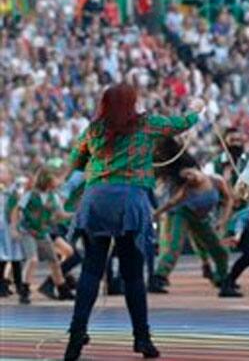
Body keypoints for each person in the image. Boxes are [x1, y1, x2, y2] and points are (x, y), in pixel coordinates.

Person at [64, 83, 204, 361]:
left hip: (96, 199)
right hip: (129, 200)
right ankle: (142, 339)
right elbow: (182, 123)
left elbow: (75, 162)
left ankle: (76, 337)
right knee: (132, 273)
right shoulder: (147, 125)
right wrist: (196, 109)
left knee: (91, 270)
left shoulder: (94, 129)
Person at [149, 144, 233, 293]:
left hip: (202, 218)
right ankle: (159, 277)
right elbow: (172, 202)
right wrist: (157, 213)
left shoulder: (216, 180)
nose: (189, 177)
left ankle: (223, 279)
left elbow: (228, 200)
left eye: (188, 172)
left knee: (218, 249)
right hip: (183, 214)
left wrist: (223, 220)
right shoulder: (187, 188)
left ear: (196, 168)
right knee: (174, 245)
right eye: (185, 177)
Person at [11, 166, 75, 302]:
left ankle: (62, 289)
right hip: (27, 231)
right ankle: (24, 290)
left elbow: (60, 214)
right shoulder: (30, 194)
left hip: (42, 232)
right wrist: (14, 228)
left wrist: (75, 215)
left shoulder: (54, 196)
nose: (58, 180)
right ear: (46, 179)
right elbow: (16, 210)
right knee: (32, 259)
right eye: (55, 177)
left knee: (54, 261)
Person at [0, 163, 27, 303]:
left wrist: (15, 226)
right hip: (2, 226)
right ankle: (2, 285)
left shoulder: (14, 191)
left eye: (2, 172)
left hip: (10, 226)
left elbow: (15, 209)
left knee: (16, 257)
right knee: (3, 257)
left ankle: (19, 286)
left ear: (9, 175)